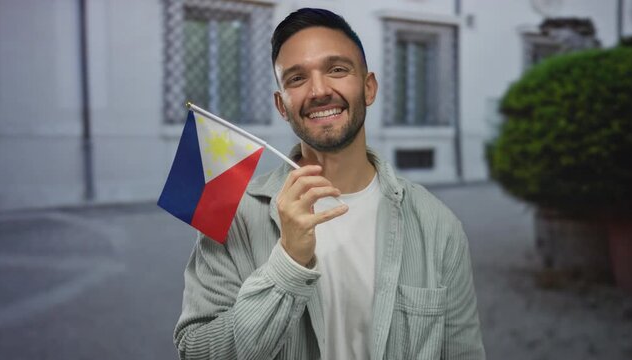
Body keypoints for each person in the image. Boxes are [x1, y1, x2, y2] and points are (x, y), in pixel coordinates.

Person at [174, 8, 485, 360]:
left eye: (337, 70)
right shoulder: (232, 212)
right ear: (281, 105)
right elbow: (195, 351)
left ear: (368, 88)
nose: (319, 90)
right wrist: (288, 262)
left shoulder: (438, 225)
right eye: (296, 79)